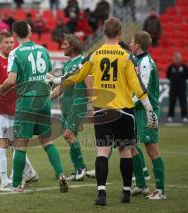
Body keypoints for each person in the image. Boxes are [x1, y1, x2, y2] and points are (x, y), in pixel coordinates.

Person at [61, 18, 158, 206]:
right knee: (125, 151)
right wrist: (149, 111)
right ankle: (126, 192)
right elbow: (138, 87)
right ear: (120, 33)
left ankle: (101, 194)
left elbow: (78, 76)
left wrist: (57, 82)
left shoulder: (94, 55)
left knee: (102, 152)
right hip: (124, 111)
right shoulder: (127, 56)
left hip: (103, 112)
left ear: (104, 32)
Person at [0, 21, 68, 192]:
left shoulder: (15, 53)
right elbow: (49, 77)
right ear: (30, 33)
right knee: (47, 141)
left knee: (20, 143)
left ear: (14, 36)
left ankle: (15, 185)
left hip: (27, 101)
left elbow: (12, 79)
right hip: (44, 101)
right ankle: (61, 174)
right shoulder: (43, 50)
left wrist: (1, 89)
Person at [0, 29, 37, 191]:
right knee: (2, 142)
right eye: (6, 42)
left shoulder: (15, 59)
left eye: (12, 42)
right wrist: (5, 88)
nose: (10, 45)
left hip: (11, 108)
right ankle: (5, 181)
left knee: (7, 143)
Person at [50, 34, 92, 181]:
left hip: (78, 104)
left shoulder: (84, 62)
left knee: (68, 134)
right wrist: (46, 99)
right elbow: (61, 88)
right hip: (67, 106)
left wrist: (91, 105)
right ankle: (77, 169)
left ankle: (81, 167)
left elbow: (89, 84)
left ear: (73, 46)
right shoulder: (67, 65)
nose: (62, 46)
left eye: (65, 44)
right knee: (70, 136)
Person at [130, 31, 166, 200]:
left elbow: (141, 90)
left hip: (147, 112)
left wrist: (126, 102)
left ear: (137, 45)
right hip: (138, 111)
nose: (130, 44)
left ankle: (160, 191)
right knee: (131, 145)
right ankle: (140, 184)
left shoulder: (145, 63)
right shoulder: (139, 60)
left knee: (152, 150)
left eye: (131, 42)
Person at [167, 52, 188, 123]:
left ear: (181, 58)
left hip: (182, 89)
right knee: (172, 102)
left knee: (183, 103)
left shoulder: (185, 67)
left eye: (178, 58)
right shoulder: (171, 67)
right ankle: (170, 116)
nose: (177, 59)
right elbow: (168, 76)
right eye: (176, 58)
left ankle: (184, 116)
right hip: (173, 89)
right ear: (174, 59)